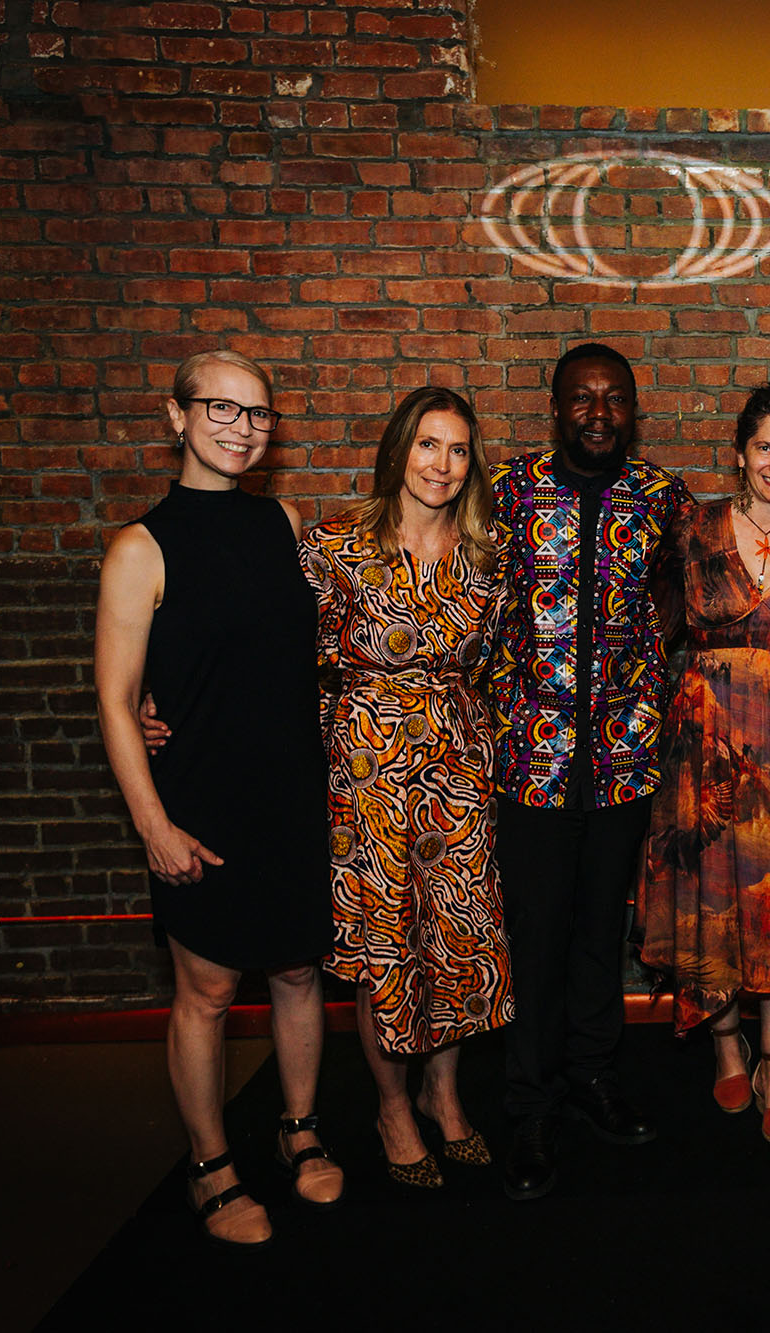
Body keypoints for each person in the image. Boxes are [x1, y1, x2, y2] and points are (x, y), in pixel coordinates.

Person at [94, 349, 341, 1249]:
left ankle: (299, 1128)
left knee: (299, 971)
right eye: (221, 409)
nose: (241, 428)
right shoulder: (140, 547)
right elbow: (115, 701)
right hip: (200, 799)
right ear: (178, 416)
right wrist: (154, 825)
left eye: (257, 413)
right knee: (206, 989)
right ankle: (210, 1164)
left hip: (290, 792)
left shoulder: (283, 521)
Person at [489, 342, 692, 1200]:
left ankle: (594, 1074)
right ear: (556, 408)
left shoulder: (660, 496)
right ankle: (530, 1103)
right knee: (537, 930)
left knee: (602, 925)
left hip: (622, 753)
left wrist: (649, 650)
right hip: (531, 754)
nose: (599, 413)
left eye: (614, 399)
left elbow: (689, 581)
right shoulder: (507, 490)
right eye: (583, 398)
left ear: (633, 411)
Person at [299, 386, 513, 1188]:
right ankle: (391, 1106)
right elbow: (289, 658)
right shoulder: (335, 546)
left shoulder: (486, 554)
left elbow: (497, 663)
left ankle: (443, 1093)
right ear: (398, 450)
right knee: (384, 942)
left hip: (457, 766)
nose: (442, 464)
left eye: (458, 450)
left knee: (457, 937)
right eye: (428, 444)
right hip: (369, 772)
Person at [638, 382, 770, 1150]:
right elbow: (650, 619)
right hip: (707, 745)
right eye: (766, 446)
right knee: (715, 900)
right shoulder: (692, 527)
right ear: (740, 452)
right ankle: (727, 1047)